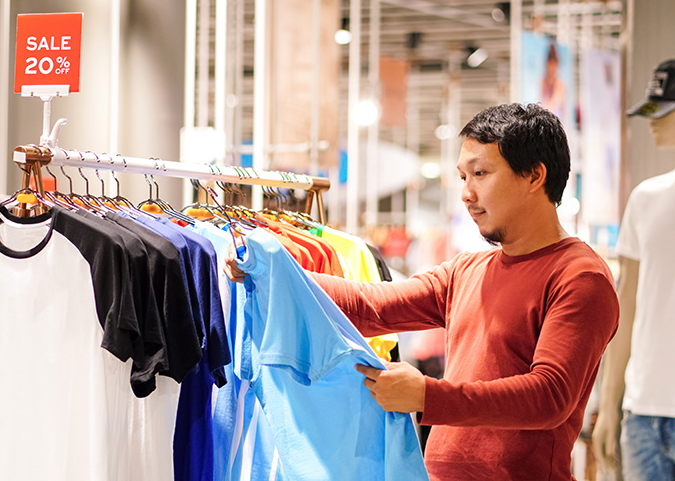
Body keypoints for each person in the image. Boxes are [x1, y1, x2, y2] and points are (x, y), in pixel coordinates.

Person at [225, 102, 619, 480]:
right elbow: (372, 307)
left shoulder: (580, 277)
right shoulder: (468, 269)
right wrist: (272, 270)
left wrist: (428, 396)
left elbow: (549, 396)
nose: (466, 193)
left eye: (480, 174)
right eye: (463, 177)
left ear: (534, 175)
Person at [593, 58, 675, 480]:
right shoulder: (646, 199)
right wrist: (610, 406)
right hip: (643, 412)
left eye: (665, 111)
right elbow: (626, 311)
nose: (653, 123)